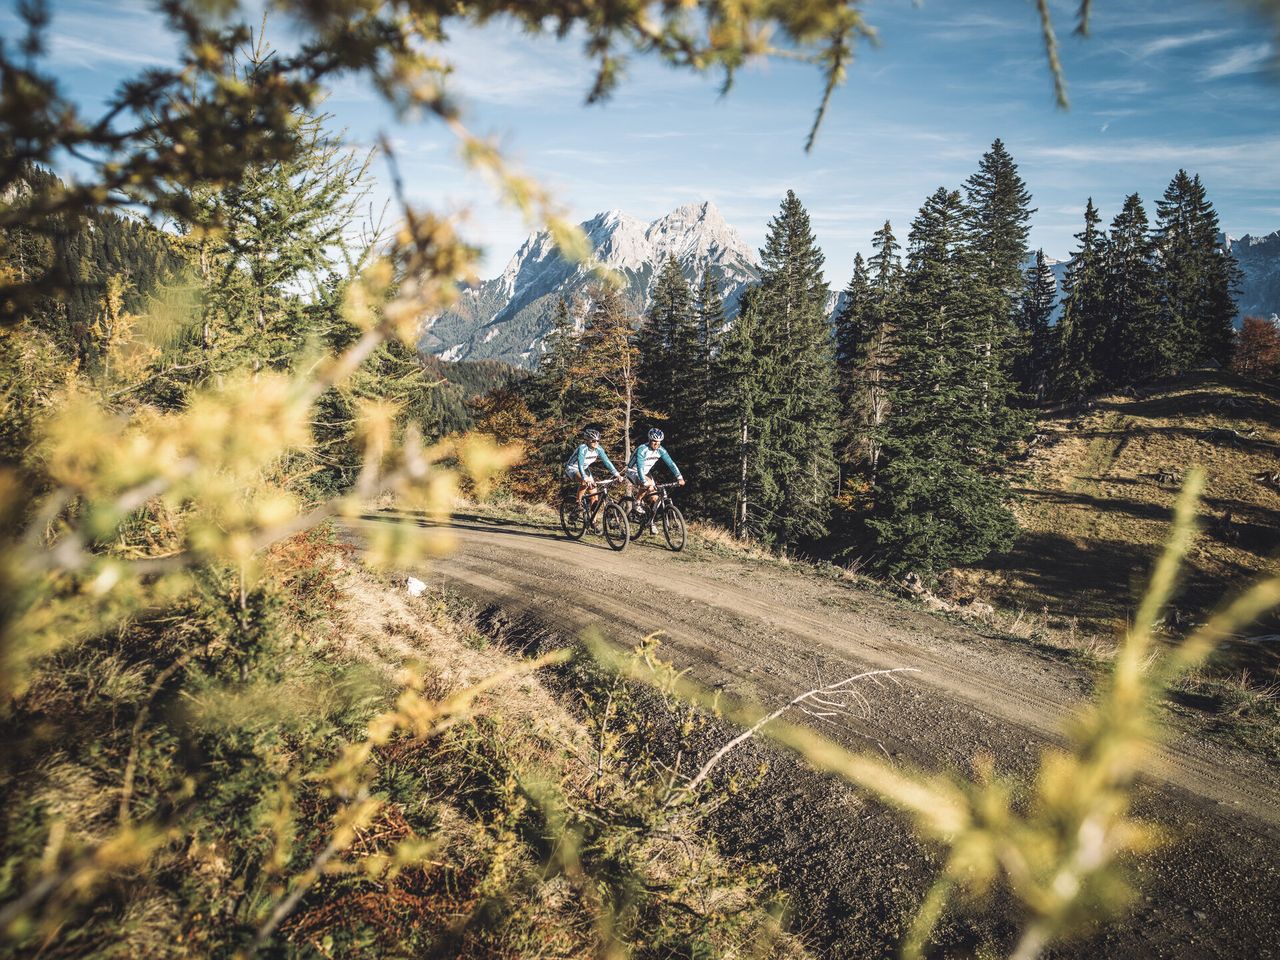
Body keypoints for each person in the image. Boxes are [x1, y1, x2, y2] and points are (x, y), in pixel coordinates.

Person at [626, 427, 684, 530]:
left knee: (655, 498)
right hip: (633, 471)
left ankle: (650, 521)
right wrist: (643, 481)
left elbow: (671, 463)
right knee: (647, 485)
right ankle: (637, 502)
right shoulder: (642, 449)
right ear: (649, 440)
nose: (656, 444)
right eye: (654, 441)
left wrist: (679, 477)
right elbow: (639, 467)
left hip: (646, 472)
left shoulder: (661, 450)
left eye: (659, 442)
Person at [564, 427, 621, 512]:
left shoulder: (599, 449)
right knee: (585, 482)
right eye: (593, 441)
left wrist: (617, 474)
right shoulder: (582, 448)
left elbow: (607, 461)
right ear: (587, 440)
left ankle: (593, 521)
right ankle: (578, 503)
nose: (596, 443)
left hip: (584, 469)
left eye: (598, 441)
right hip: (573, 468)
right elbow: (580, 463)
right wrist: (584, 477)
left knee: (594, 496)